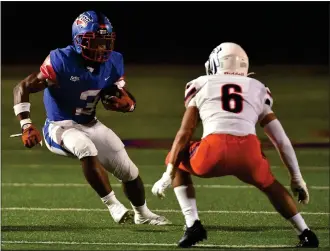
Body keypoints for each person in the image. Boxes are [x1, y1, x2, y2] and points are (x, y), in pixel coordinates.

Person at [152, 42, 319, 247]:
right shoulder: (258, 88)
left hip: (211, 152)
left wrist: (168, 174)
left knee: (175, 157)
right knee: (270, 185)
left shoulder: (201, 84)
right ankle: (306, 232)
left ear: (216, 63)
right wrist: (297, 178)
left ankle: (193, 224)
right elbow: (281, 139)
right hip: (248, 152)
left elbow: (184, 133)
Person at [13, 10, 170, 226]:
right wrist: (26, 125)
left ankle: (142, 214)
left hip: (90, 123)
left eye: (105, 42)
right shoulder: (61, 59)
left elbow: (121, 94)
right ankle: (114, 205)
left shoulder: (114, 61)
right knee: (85, 147)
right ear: (79, 40)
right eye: (94, 41)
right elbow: (22, 87)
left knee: (128, 169)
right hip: (59, 127)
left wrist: (129, 105)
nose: (101, 48)